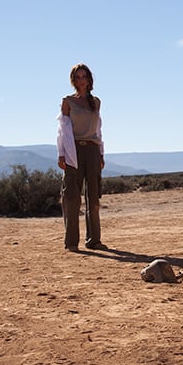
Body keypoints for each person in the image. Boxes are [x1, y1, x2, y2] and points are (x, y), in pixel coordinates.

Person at [56, 63, 107, 252]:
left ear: (89, 79)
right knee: (71, 196)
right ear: (73, 80)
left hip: (92, 150)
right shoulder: (68, 101)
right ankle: (71, 243)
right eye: (77, 77)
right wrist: (61, 153)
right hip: (73, 150)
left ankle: (94, 240)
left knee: (93, 197)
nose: (81, 80)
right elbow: (62, 130)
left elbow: (98, 130)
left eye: (84, 77)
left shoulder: (96, 102)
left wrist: (101, 153)